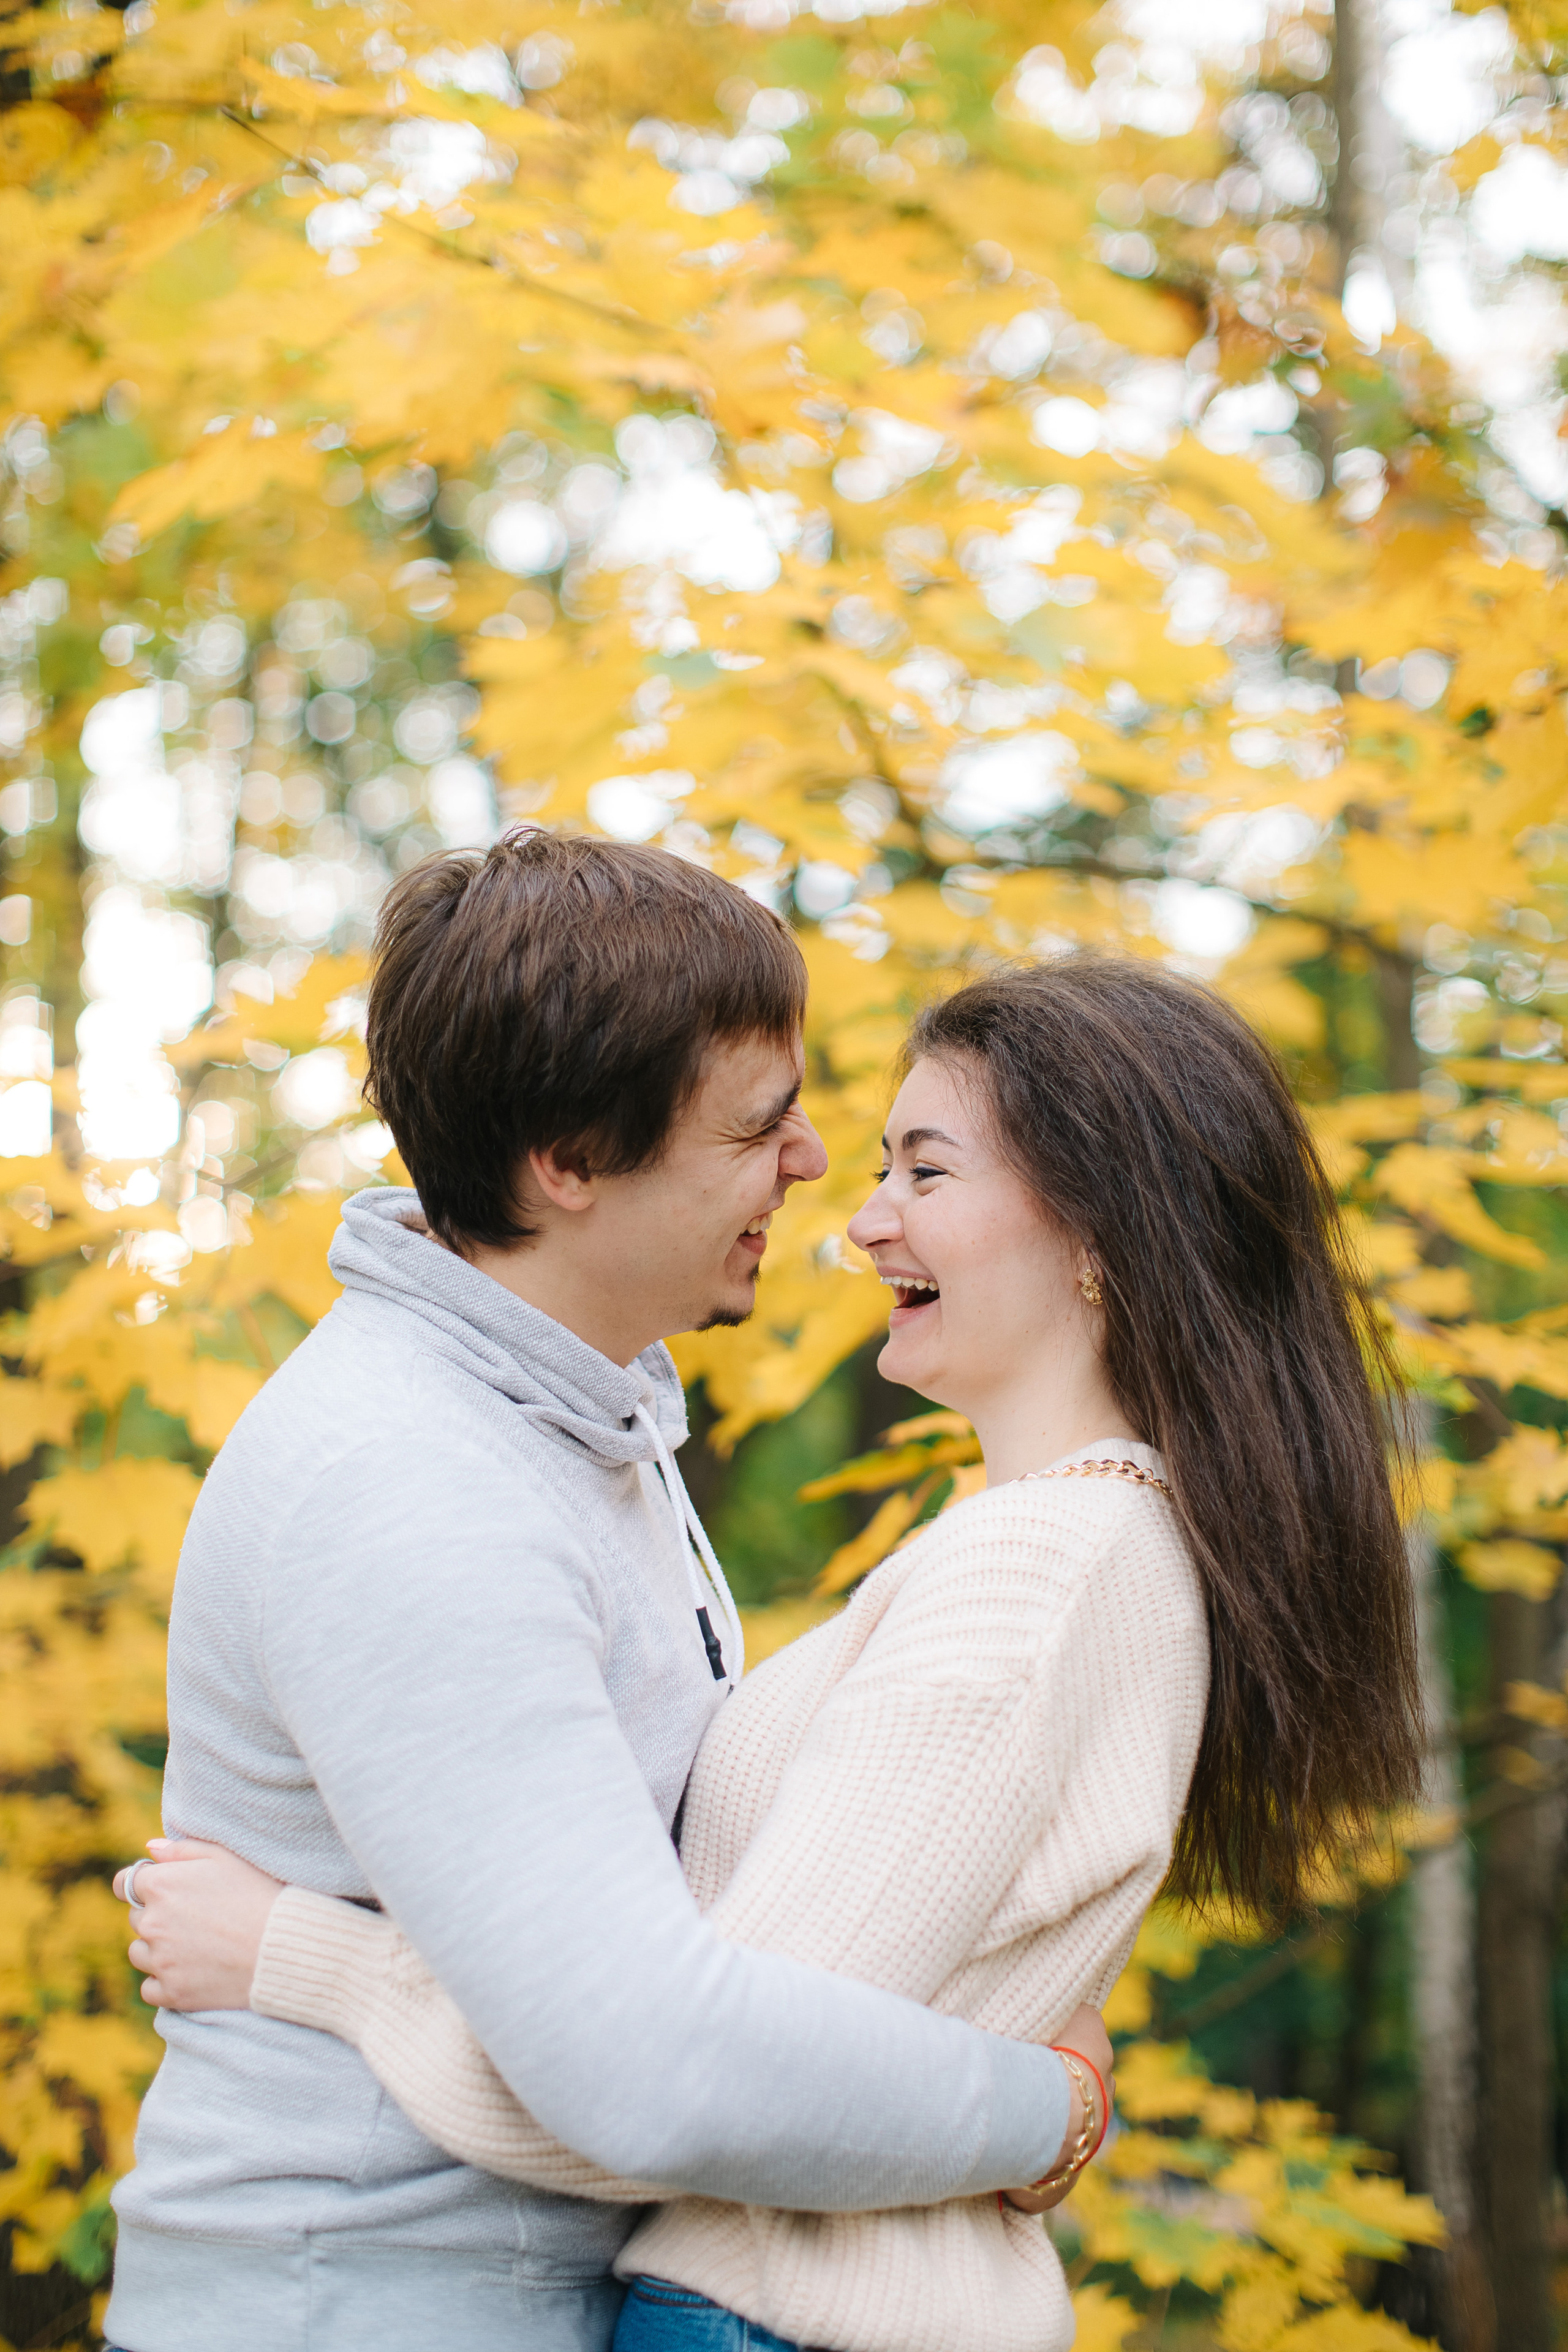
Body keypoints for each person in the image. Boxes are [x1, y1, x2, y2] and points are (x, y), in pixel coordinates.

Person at [118, 951, 1423, 2352]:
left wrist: (299, 1955)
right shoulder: (1039, 1547)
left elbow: (683, 2098)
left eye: (923, 1174)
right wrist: (1034, 2107)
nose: (853, 1215)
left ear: (1100, 1228)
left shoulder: (1033, 1573)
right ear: (567, 1163)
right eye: (805, 1145)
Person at [102, 834, 1098, 2352]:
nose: (814, 1164)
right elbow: (650, 2068)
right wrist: (1041, 2108)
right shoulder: (412, 1487)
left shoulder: (575, 1410)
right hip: (370, 2307)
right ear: (566, 1162)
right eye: (754, 1127)